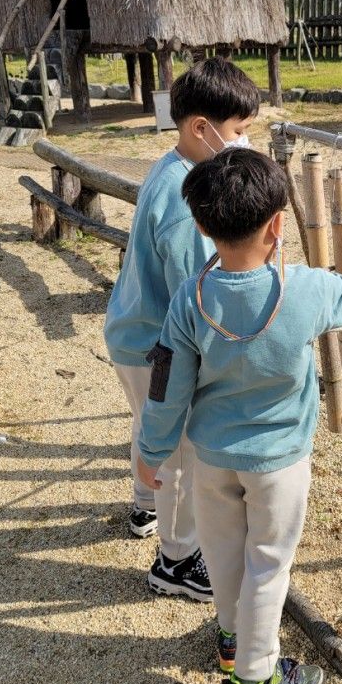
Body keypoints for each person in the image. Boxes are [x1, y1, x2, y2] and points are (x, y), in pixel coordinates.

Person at [137, 149, 342, 684]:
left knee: (225, 555)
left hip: (210, 457)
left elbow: (166, 386)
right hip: (277, 463)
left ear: (201, 226)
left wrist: (150, 451)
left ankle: (232, 640)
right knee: (268, 564)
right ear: (278, 225)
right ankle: (252, 683)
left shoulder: (190, 299)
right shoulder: (305, 289)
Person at [104, 58, 259, 601]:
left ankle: (145, 508)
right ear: (201, 128)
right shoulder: (188, 205)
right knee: (179, 453)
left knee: (147, 423)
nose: (242, 143)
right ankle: (177, 559)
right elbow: (193, 302)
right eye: (237, 132)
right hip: (155, 345)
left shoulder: (169, 166)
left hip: (129, 331)